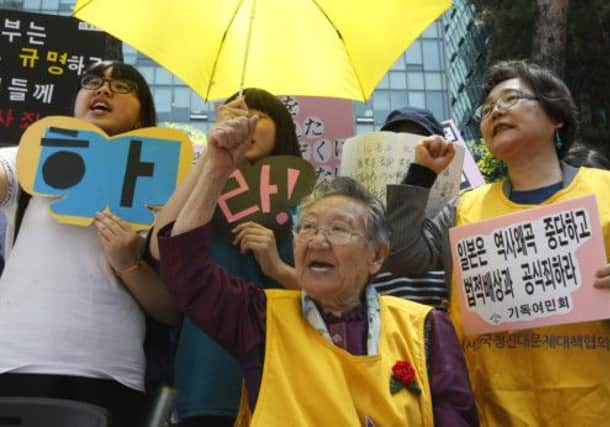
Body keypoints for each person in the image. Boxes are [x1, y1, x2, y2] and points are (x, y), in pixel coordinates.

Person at [155, 113, 479, 426]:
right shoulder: (260, 318)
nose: (317, 241)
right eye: (307, 228)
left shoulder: (425, 329)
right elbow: (187, 273)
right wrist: (216, 168)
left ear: (377, 256)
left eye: (339, 229)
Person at [384, 60, 610, 425]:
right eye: (488, 108)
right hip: (493, 411)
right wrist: (421, 174)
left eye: (511, 99)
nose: (496, 112)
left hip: (597, 409)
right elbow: (398, 253)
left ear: (556, 115)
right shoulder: (465, 208)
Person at [0, 60, 175, 427]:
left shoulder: (167, 185)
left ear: (144, 114)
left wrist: (129, 263)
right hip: (12, 358)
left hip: (110, 370)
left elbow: (170, 310)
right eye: (92, 81)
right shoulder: (32, 154)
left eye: (123, 85)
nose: (104, 89)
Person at [150, 88, 301, 427]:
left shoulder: (304, 202)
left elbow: (329, 295)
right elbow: (162, 248)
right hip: (207, 375)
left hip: (285, 379)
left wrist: (277, 267)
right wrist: (212, 157)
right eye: (235, 113)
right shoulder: (204, 192)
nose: (245, 122)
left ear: (282, 130)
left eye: (258, 115)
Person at [370, 107, 449, 307]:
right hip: (381, 325)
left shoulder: (455, 211)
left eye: (420, 143)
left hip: (440, 325)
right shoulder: (366, 213)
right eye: (394, 141)